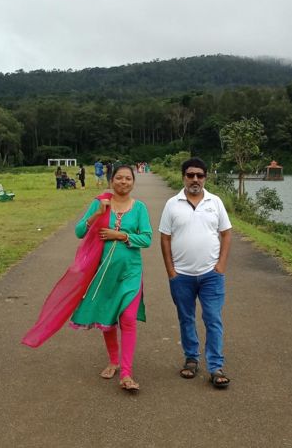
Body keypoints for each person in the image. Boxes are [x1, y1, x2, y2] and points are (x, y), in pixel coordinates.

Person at [22, 165, 152, 393]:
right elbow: (80, 231)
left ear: (133, 182)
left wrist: (120, 235)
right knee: (107, 317)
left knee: (128, 318)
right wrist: (98, 214)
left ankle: (126, 373)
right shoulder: (101, 203)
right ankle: (113, 361)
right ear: (111, 180)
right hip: (103, 274)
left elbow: (147, 239)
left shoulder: (139, 207)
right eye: (119, 178)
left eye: (128, 178)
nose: (123, 182)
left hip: (130, 272)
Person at [159, 157, 232, 389]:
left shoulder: (215, 202)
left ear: (205, 178)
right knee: (186, 318)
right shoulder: (172, 204)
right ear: (183, 177)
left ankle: (215, 367)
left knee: (213, 319)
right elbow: (165, 238)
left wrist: (221, 265)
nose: (195, 179)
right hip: (181, 276)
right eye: (190, 175)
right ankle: (191, 358)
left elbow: (226, 233)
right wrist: (171, 271)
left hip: (211, 275)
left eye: (200, 175)